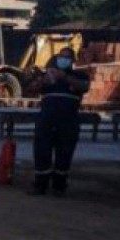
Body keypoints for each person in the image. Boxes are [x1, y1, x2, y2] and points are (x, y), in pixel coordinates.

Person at [31, 47, 90, 196]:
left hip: (68, 121)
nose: (63, 59)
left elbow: (84, 86)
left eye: (67, 57)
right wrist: (41, 80)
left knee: (65, 153)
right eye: (60, 56)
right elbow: (33, 88)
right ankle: (40, 185)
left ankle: (59, 186)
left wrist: (64, 77)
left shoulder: (79, 75)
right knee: (42, 151)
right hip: (46, 120)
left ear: (72, 61)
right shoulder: (48, 76)